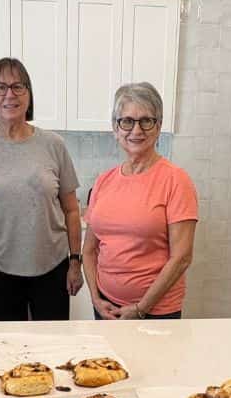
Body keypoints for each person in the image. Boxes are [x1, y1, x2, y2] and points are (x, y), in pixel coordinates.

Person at [0, 58, 82, 321]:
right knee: (8, 347)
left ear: (29, 95)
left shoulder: (54, 145)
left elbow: (71, 210)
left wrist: (74, 262)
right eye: (0, 87)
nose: (9, 95)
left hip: (52, 268)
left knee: (53, 349)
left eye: (18, 87)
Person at [83, 82, 197, 320]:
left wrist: (140, 309)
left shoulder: (176, 180)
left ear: (158, 127)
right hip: (106, 307)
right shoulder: (104, 181)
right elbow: (90, 250)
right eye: (127, 121)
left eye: (146, 121)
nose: (136, 131)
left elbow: (182, 257)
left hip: (155, 312)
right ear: (116, 128)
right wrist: (95, 298)